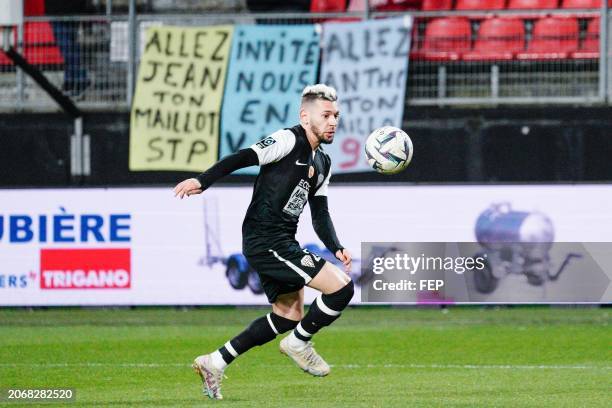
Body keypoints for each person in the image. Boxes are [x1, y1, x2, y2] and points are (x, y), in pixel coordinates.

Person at [173, 84, 354, 400]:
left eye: (336, 115)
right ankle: (299, 343)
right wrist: (203, 180)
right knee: (341, 287)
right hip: (264, 240)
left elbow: (320, 212)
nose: (332, 122)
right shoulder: (287, 140)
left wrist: (335, 244)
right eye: (325, 115)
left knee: (288, 315)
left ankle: (214, 362)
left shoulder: (323, 162)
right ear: (305, 115)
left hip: (283, 241)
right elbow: (241, 157)